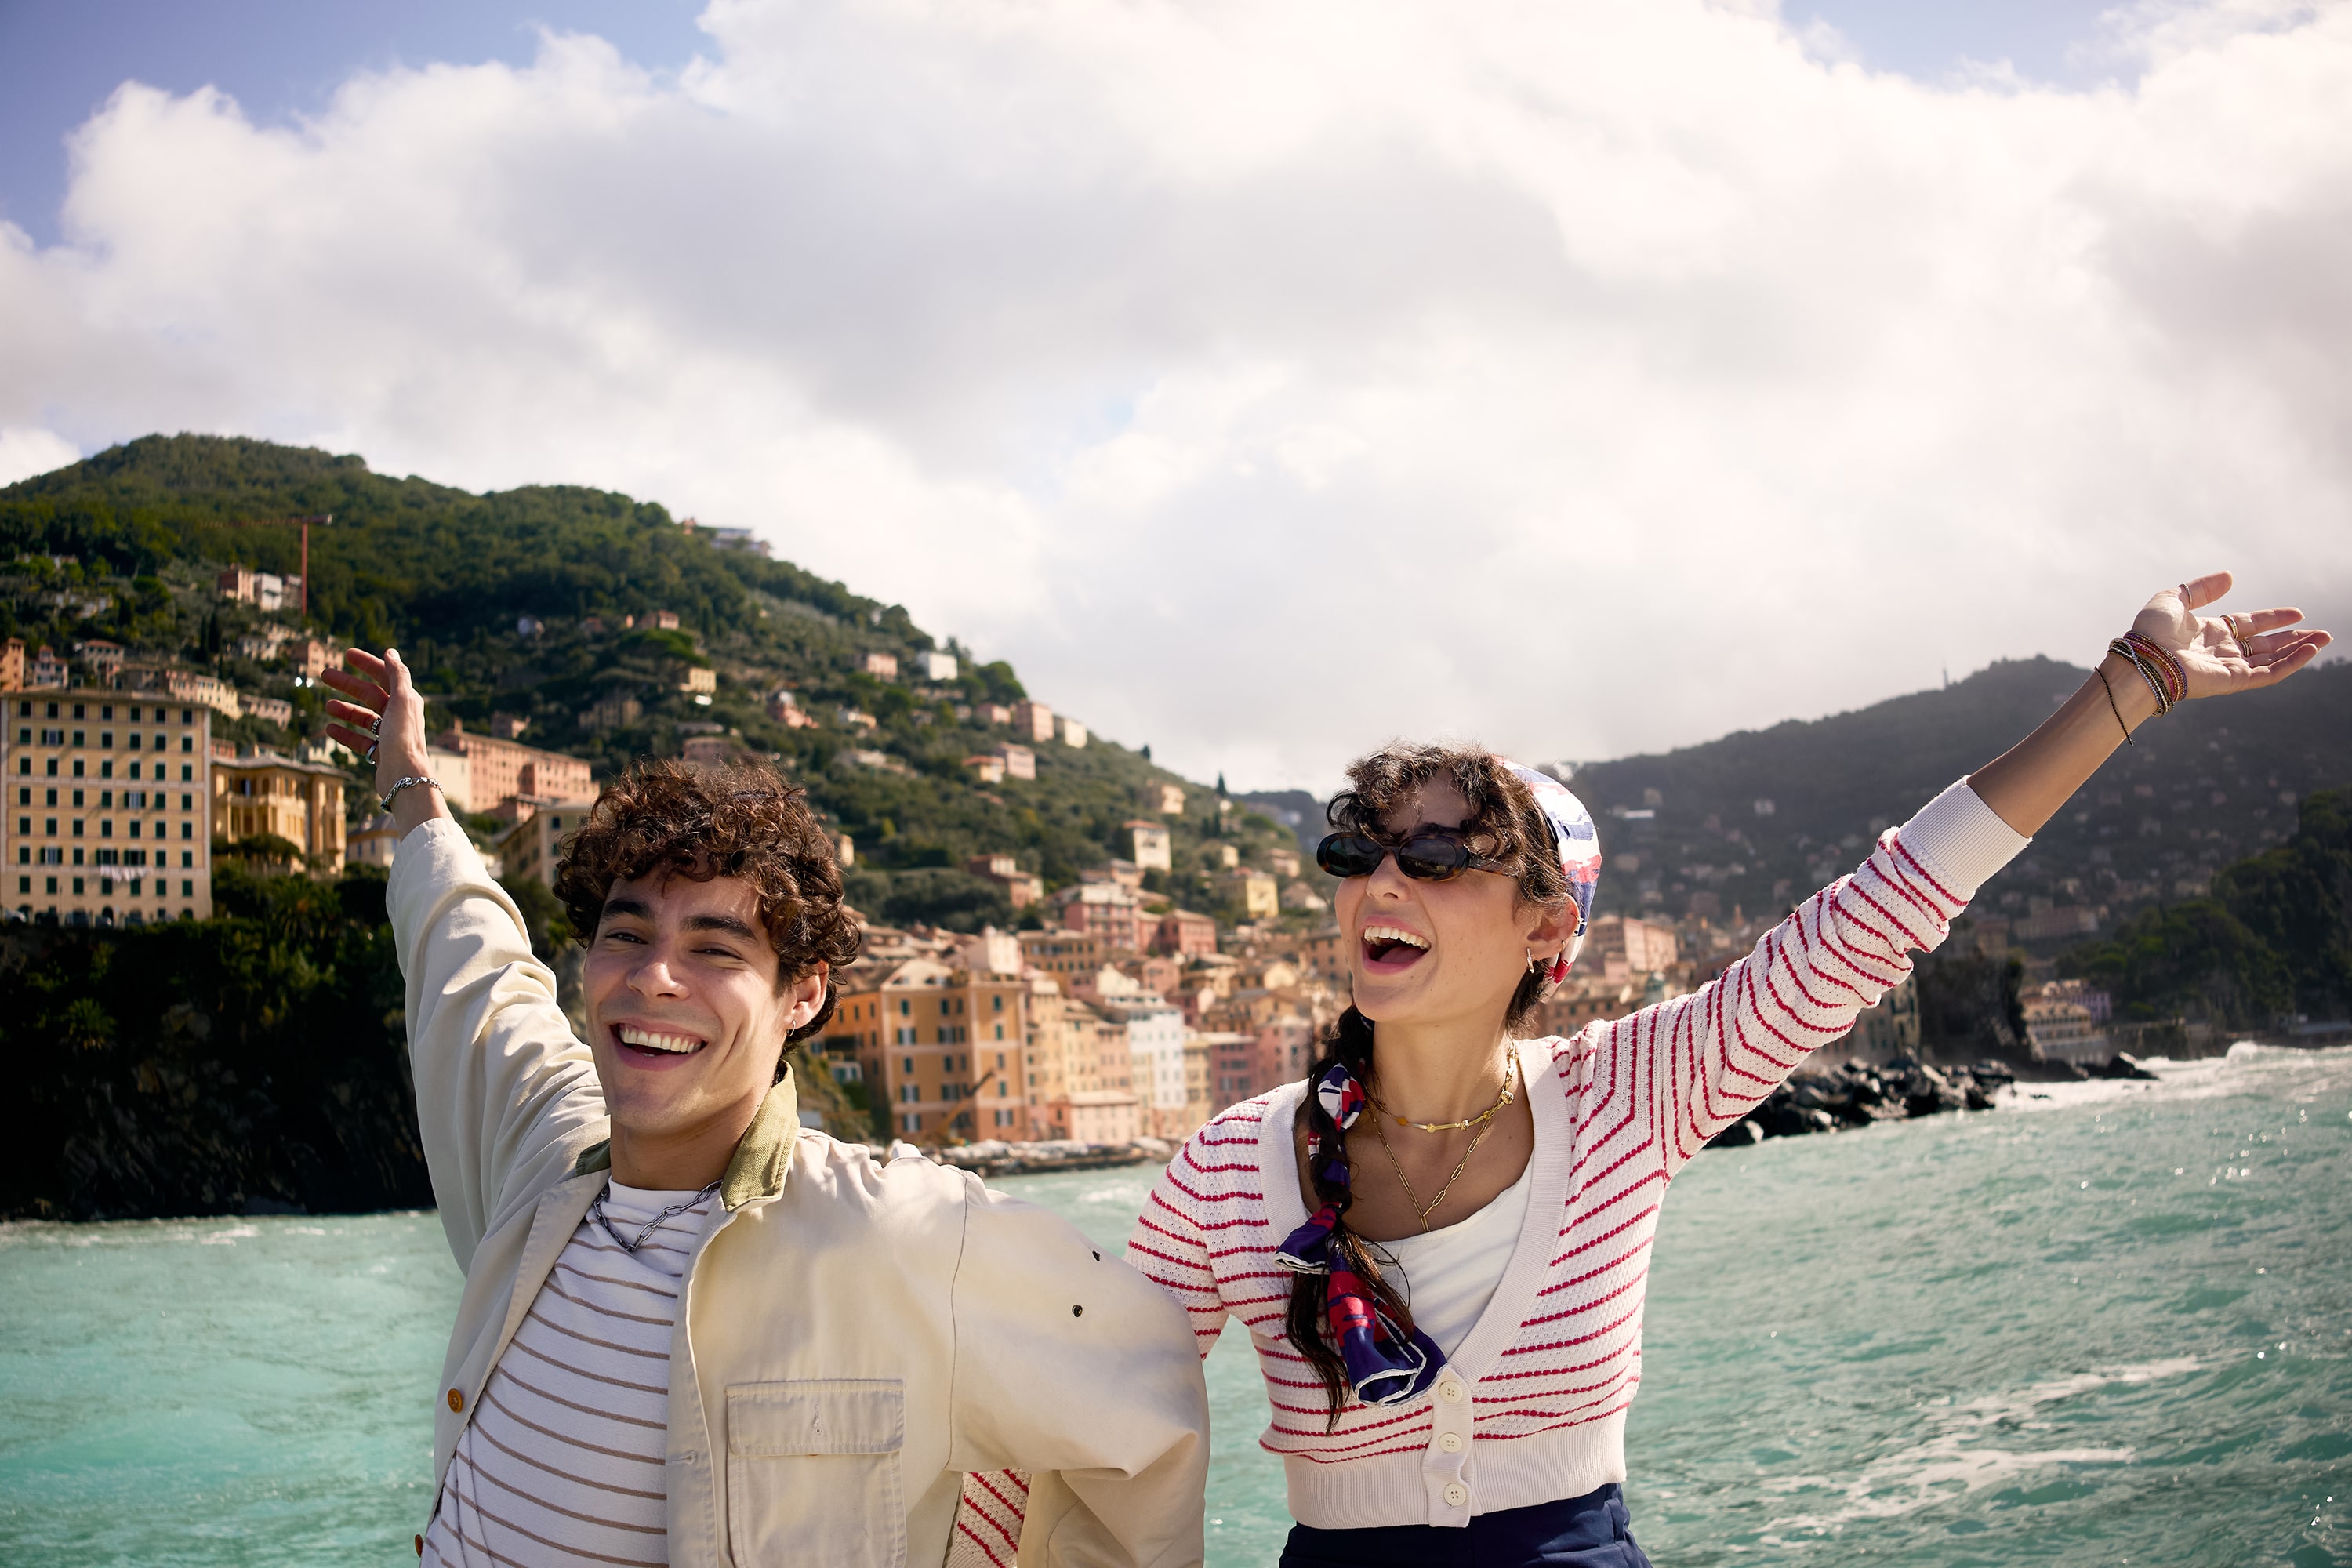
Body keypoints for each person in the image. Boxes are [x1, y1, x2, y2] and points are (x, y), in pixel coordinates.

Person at [1125, 575, 2328, 1568]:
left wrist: (2136, 684)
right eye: (1362, 851)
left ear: (1550, 930)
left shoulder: (1625, 1098)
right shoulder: (1234, 1170)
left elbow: (1879, 911)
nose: (1384, 884)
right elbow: (1069, 1399)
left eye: (1439, 856)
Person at [321, 648, 1209, 1568]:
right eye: (625, 932)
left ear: (803, 994)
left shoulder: (904, 1233)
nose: (653, 975)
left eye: (716, 948)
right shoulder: (543, 1149)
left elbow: (1148, 1401)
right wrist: (415, 786)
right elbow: (476, 968)